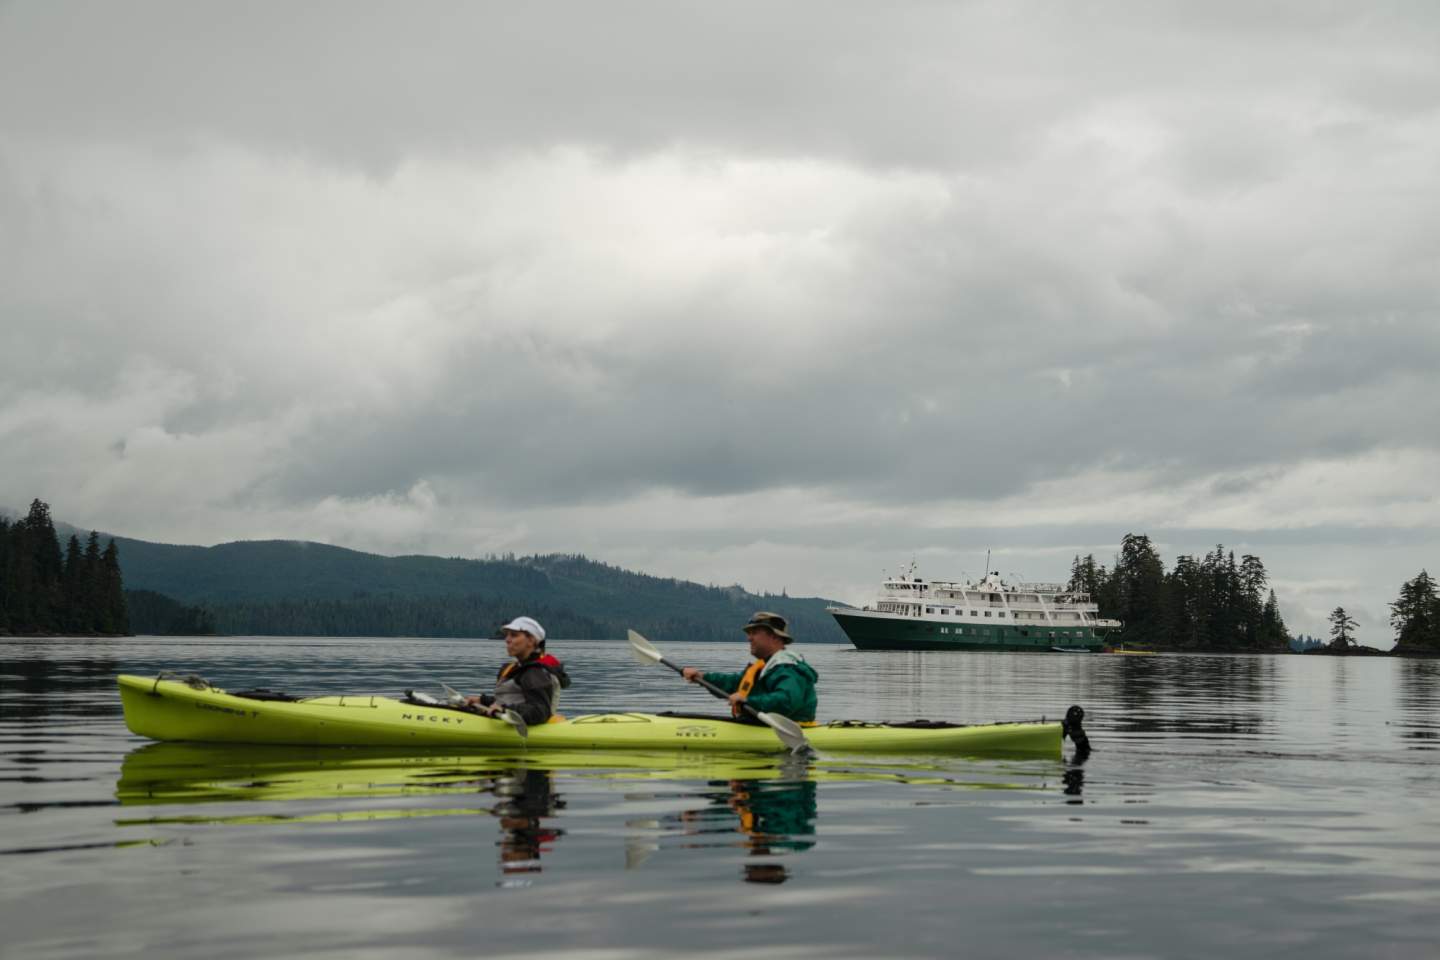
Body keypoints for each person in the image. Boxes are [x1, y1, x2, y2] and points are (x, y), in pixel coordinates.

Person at [680, 611, 818, 723]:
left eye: (755, 633)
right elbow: (733, 683)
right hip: (763, 726)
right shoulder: (764, 666)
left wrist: (748, 701)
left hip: (791, 730)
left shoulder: (788, 668)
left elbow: (787, 700)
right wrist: (702, 677)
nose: (749, 638)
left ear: (775, 637)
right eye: (749, 634)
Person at [465, 616, 571, 725]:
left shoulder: (535, 673)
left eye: (514, 635)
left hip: (527, 728)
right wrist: (483, 701)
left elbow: (539, 711)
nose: (507, 640)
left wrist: (505, 710)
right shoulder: (518, 668)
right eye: (507, 635)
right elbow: (512, 700)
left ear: (531, 641)